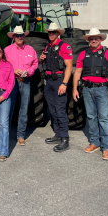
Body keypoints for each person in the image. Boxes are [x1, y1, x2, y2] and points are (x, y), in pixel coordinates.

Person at [73, 28, 108, 160]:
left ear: (100, 39)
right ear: (88, 40)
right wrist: (75, 89)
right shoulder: (83, 54)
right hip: (87, 89)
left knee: (103, 118)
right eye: (91, 38)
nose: (94, 40)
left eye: (96, 38)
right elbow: (77, 72)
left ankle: (106, 147)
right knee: (91, 117)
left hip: (102, 89)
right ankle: (95, 142)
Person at [39, 23, 73, 152]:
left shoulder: (65, 46)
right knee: (53, 110)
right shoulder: (47, 47)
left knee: (60, 110)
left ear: (58, 33)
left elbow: (69, 66)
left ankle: (65, 138)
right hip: (49, 82)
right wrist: (42, 59)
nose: (51, 34)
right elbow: (47, 63)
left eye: (53, 32)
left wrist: (64, 83)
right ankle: (58, 135)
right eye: (49, 32)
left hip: (59, 81)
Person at [5, 26, 38, 146]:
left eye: (21, 35)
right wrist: (13, 70)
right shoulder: (7, 50)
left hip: (25, 81)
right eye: (17, 35)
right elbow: (3, 65)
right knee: (9, 108)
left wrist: (28, 71)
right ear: (13, 36)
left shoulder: (30, 50)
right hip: (12, 82)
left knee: (24, 110)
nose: (19, 37)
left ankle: (21, 135)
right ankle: (6, 134)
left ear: (24, 36)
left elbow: (35, 63)